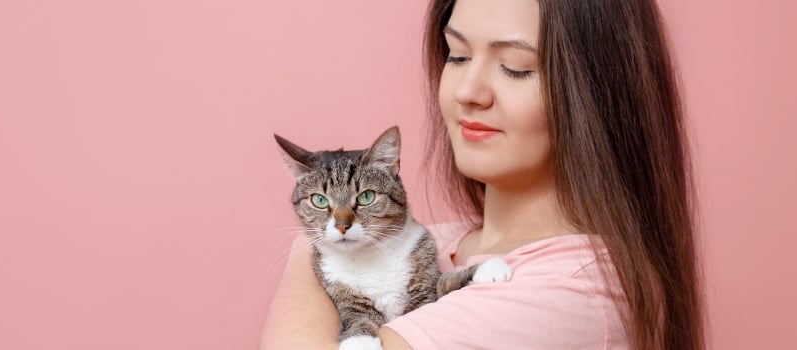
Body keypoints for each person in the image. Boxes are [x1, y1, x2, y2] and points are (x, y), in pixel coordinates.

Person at [261, 0, 705, 348]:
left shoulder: (573, 288)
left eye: (515, 66)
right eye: (456, 56)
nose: (468, 93)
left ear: (596, 95)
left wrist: (313, 247)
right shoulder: (430, 241)